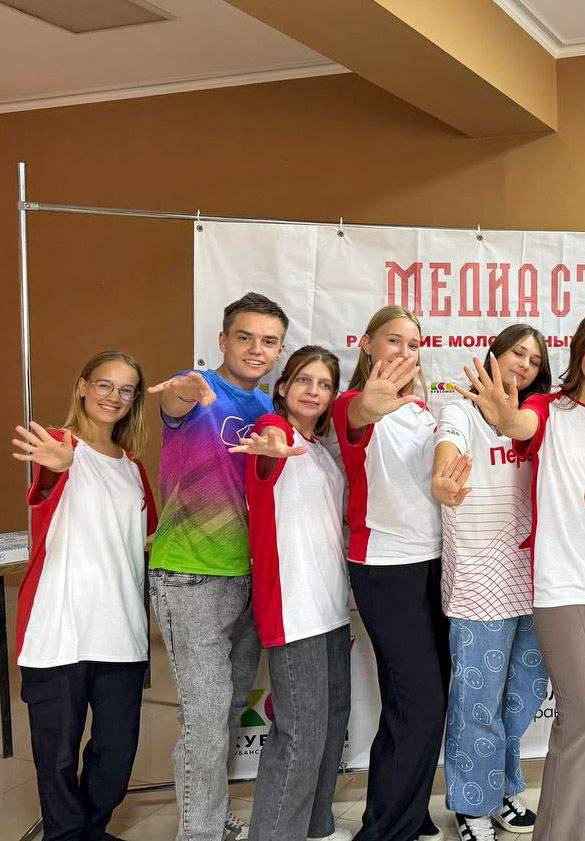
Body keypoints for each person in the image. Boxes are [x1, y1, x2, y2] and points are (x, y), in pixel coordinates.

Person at [458, 309, 585, 841]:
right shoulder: (548, 409)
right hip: (561, 583)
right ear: (578, 353)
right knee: (584, 712)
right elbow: (518, 424)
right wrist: (503, 415)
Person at [146, 292, 288, 841]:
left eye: (269, 341)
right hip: (190, 577)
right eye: (245, 337)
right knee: (205, 719)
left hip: (247, 578)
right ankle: (199, 832)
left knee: (226, 710)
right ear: (223, 340)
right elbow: (176, 401)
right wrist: (186, 392)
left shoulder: (266, 407)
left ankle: (207, 813)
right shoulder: (198, 385)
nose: (256, 349)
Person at [13, 350, 157, 841]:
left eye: (126, 390)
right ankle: (65, 835)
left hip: (121, 631)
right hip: (59, 630)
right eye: (104, 385)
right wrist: (57, 467)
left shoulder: (133, 467)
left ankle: (91, 830)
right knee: (56, 756)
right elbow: (44, 488)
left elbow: (149, 537)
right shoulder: (59, 446)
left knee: (115, 752)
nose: (113, 397)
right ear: (82, 386)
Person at [432, 325, 553, 841]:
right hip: (479, 583)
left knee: (523, 694)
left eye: (534, 359)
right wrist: (443, 480)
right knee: (477, 701)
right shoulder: (461, 411)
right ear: (493, 356)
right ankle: (471, 804)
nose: (523, 364)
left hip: (537, 580)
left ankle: (501, 786)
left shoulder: (538, 417)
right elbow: (448, 448)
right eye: (516, 353)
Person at [332, 306, 446, 841]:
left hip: (434, 562)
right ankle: (384, 829)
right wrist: (368, 407)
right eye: (393, 340)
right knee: (417, 700)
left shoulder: (421, 411)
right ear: (368, 345)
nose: (404, 351)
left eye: (413, 344)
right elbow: (356, 418)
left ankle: (408, 810)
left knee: (426, 699)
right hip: (384, 566)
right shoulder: (352, 404)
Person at [233, 346, 353, 841]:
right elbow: (267, 459)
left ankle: (316, 827)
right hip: (293, 608)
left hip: (331, 608)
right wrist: (269, 448)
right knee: (299, 732)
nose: (313, 391)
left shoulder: (321, 450)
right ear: (282, 387)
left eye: (324, 385)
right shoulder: (274, 431)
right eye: (304, 380)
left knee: (331, 724)